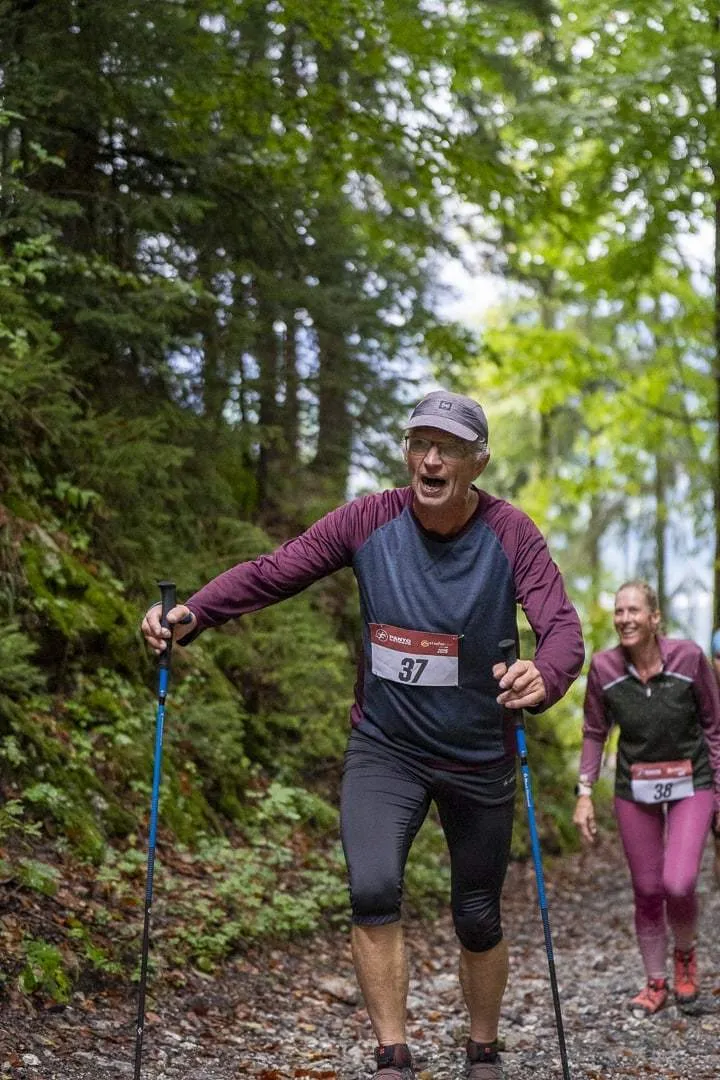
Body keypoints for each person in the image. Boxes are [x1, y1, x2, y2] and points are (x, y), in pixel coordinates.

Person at [142, 389, 585, 1080]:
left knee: (476, 914)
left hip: (479, 753)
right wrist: (195, 613)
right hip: (388, 747)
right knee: (373, 888)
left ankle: (483, 1046)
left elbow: (561, 627)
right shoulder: (370, 519)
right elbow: (274, 571)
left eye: (448, 448)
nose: (430, 459)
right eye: (419, 443)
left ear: (478, 462)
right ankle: (392, 1055)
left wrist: (546, 675)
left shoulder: (511, 533)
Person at [573, 581, 720, 1015]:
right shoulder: (603, 668)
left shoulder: (690, 659)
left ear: (655, 618)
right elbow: (595, 732)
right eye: (619, 611)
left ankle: (685, 957)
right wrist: (584, 794)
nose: (624, 619)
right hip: (635, 788)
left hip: (691, 782)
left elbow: (714, 728)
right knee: (646, 888)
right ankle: (655, 983)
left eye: (634, 610)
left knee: (679, 882)